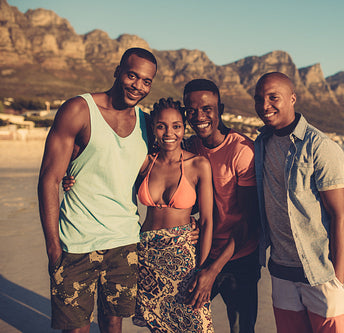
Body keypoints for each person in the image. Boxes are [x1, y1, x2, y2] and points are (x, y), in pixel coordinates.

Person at [38, 47, 157, 332]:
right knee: (77, 328)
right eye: (132, 75)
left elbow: (162, 173)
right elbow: (49, 179)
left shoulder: (146, 124)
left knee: (113, 324)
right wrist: (53, 247)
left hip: (124, 242)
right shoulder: (79, 109)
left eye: (146, 81)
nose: (138, 86)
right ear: (117, 72)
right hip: (76, 243)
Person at [253, 72, 344, 333]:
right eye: (259, 99)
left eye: (274, 97)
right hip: (281, 271)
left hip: (320, 273)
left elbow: (340, 215)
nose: (265, 106)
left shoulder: (319, 146)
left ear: (292, 98)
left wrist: (338, 281)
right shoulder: (261, 144)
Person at [183, 79, 261, 333]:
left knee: (241, 329)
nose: (199, 116)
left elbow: (249, 222)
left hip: (238, 258)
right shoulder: (192, 147)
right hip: (201, 252)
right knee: (182, 322)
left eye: (207, 109)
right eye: (191, 110)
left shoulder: (241, 151)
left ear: (221, 109)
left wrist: (212, 271)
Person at [132, 97, 214, 332]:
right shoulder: (146, 163)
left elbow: (207, 221)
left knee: (195, 324)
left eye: (176, 126)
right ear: (154, 129)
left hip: (184, 259)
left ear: (184, 127)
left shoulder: (198, 164)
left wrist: (203, 268)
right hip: (147, 256)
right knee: (158, 326)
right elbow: (109, 177)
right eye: (161, 126)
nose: (169, 132)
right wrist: (72, 176)